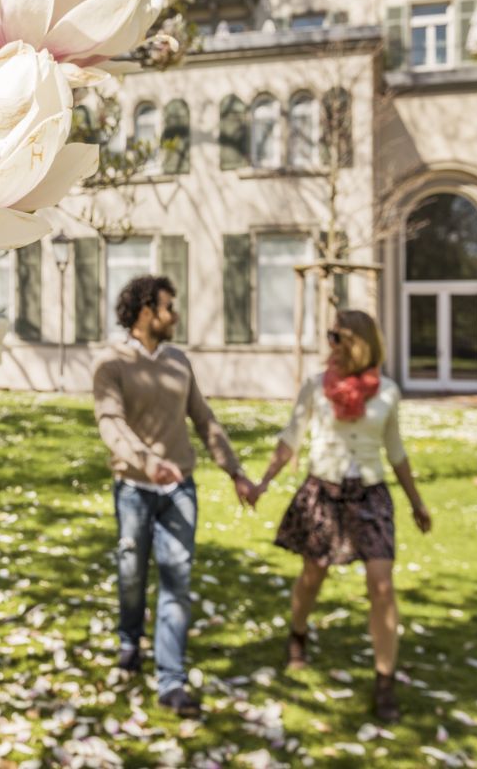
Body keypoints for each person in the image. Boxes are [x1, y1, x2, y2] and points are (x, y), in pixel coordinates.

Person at [252, 309, 431, 723]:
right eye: (330, 336)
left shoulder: (387, 392)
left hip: (370, 495)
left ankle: (384, 681)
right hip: (324, 491)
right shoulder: (315, 387)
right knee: (313, 573)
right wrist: (263, 481)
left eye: (338, 337)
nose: (331, 344)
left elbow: (396, 451)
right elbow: (290, 438)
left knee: (381, 585)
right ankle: (297, 633)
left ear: (361, 342)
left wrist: (416, 502)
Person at [91, 274, 257, 718]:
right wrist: (145, 460)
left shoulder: (179, 361)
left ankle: (171, 680)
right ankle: (130, 641)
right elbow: (110, 422)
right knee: (131, 575)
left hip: (179, 489)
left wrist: (235, 472)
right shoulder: (112, 362)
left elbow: (205, 420)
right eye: (169, 307)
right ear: (146, 312)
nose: (175, 314)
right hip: (133, 489)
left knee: (177, 581)